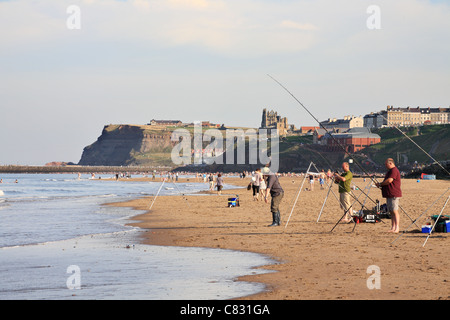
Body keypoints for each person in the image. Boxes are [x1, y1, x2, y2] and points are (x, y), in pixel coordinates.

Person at [376, 158, 402, 233]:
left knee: (395, 210)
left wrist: (380, 184)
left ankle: (397, 227)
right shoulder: (390, 171)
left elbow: (389, 181)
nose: (385, 166)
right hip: (389, 194)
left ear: (390, 163)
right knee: (391, 211)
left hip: (394, 193)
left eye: (386, 164)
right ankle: (393, 227)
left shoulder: (394, 170)